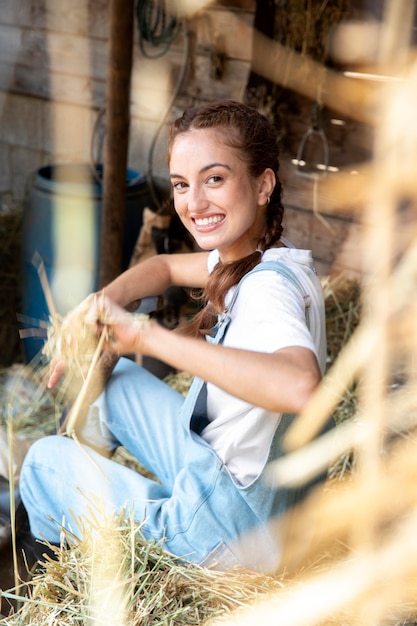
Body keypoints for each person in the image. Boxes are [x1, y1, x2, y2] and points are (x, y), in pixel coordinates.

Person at [20, 100, 327, 573]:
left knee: (41, 463)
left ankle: (69, 569)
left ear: (263, 184)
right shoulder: (264, 259)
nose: (194, 202)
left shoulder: (267, 290)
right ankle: (112, 491)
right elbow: (161, 267)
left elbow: (299, 385)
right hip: (255, 502)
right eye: (183, 184)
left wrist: (145, 337)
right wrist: (102, 303)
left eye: (215, 179)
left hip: (229, 539)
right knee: (117, 377)